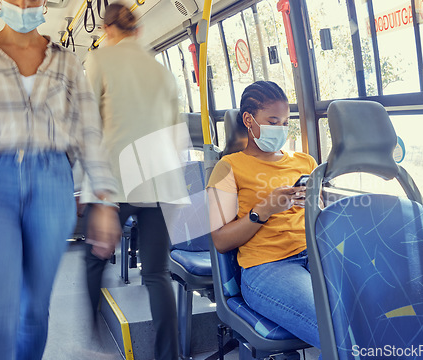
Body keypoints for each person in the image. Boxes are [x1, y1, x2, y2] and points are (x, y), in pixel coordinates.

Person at [0, 0, 121, 359]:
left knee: (33, 310)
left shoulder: (65, 62)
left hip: (52, 181)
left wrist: (104, 200)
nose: (25, 4)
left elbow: (90, 132)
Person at [81, 4, 189, 359]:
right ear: (138, 30)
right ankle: (168, 356)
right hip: (161, 183)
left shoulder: (99, 60)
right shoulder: (163, 73)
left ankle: (94, 339)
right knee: (157, 275)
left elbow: (89, 128)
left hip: (116, 179)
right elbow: (177, 136)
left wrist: (90, 188)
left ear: (106, 29)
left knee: (95, 258)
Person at [207, 81, 321, 349]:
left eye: (285, 122)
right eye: (273, 121)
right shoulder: (229, 167)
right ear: (248, 119)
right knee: (339, 325)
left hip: (317, 256)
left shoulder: (306, 162)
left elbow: (326, 219)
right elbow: (221, 241)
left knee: (373, 310)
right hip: (268, 267)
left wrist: (317, 206)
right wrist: (264, 209)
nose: (280, 130)